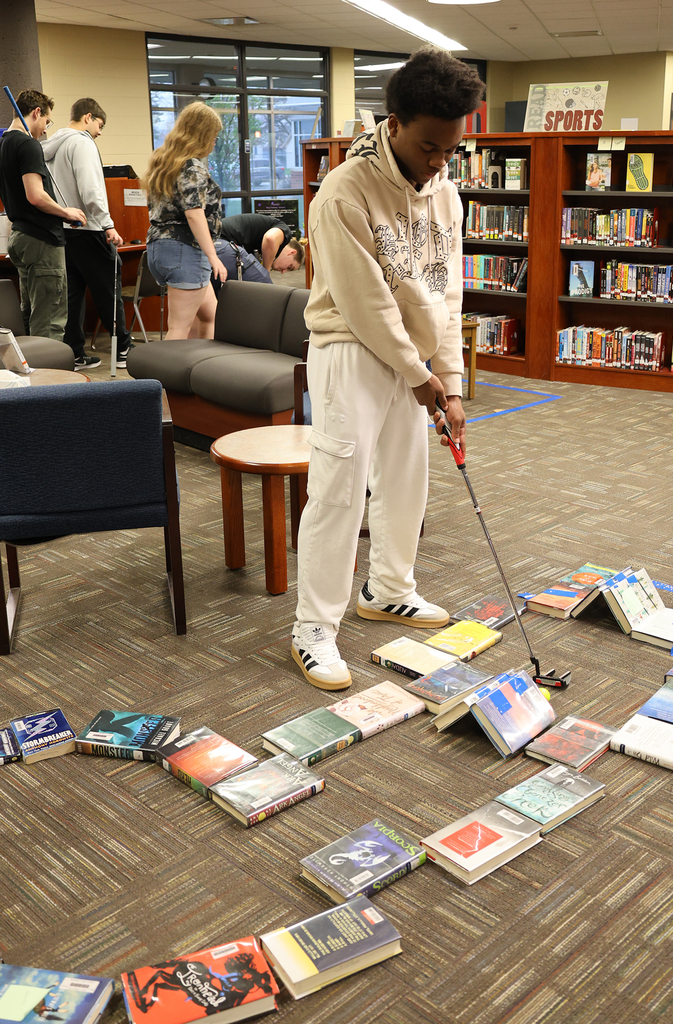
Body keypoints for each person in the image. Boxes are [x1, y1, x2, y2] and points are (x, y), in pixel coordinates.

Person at [291, 47, 485, 690]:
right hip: (350, 349)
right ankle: (314, 628)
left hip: (416, 361)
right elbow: (367, 305)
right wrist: (418, 372)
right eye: (430, 147)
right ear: (394, 123)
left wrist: (450, 383)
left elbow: (449, 294)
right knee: (339, 490)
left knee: (407, 480)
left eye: (450, 150)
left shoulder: (446, 193)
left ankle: (389, 588)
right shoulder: (343, 192)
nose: (439, 162)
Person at [41, 97, 134, 370]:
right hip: (90, 228)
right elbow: (90, 189)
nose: (100, 132)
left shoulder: (50, 145)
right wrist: (108, 224)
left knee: (72, 296)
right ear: (88, 117)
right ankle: (123, 349)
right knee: (108, 290)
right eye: (100, 125)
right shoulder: (82, 142)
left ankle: (74, 353)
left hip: (63, 229)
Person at [0, 89, 86, 344]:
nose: (45, 130)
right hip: (40, 239)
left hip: (20, 236)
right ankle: (50, 381)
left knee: (32, 312)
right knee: (49, 318)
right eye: (46, 122)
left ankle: (36, 378)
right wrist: (66, 212)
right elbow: (36, 196)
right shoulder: (27, 143)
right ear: (37, 112)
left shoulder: (4, 142)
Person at [145, 102, 227, 340]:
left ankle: (200, 369)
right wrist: (213, 257)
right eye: (213, 136)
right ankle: (167, 377)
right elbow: (194, 213)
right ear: (200, 135)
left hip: (160, 247)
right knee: (180, 327)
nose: (214, 142)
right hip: (184, 250)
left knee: (210, 315)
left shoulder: (164, 162)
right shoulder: (191, 166)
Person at [220, 212, 304, 273]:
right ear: (292, 252)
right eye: (289, 267)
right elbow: (270, 238)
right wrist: (265, 271)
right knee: (261, 281)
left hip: (222, 240)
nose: (283, 272)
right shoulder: (285, 233)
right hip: (223, 238)